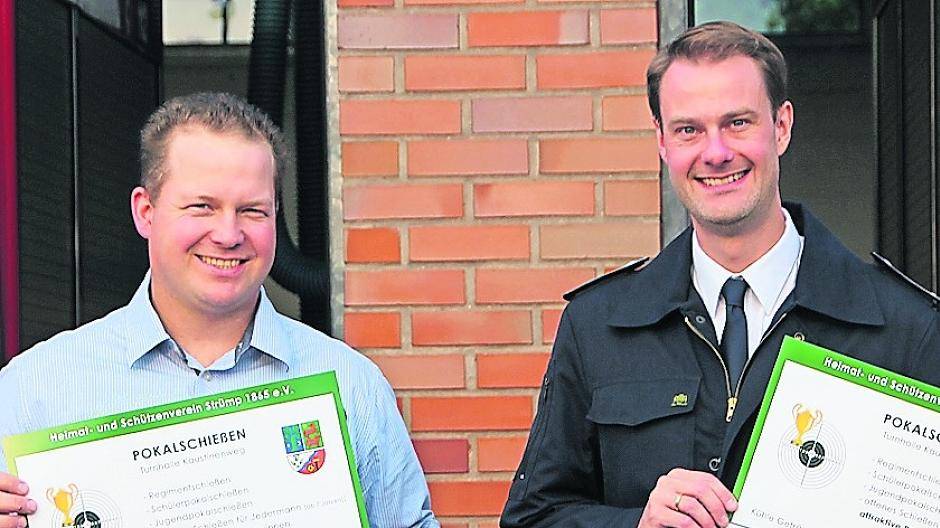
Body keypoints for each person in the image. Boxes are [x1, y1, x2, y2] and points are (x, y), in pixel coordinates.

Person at [500, 21, 940, 528]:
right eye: (689, 129)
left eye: (737, 123)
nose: (715, 152)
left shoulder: (905, 328)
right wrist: (635, 525)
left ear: (781, 126)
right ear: (662, 142)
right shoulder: (598, 326)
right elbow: (532, 519)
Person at [0, 92, 438, 528]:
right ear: (145, 212)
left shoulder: (352, 386)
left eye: (252, 211)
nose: (228, 234)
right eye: (202, 207)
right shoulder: (34, 391)